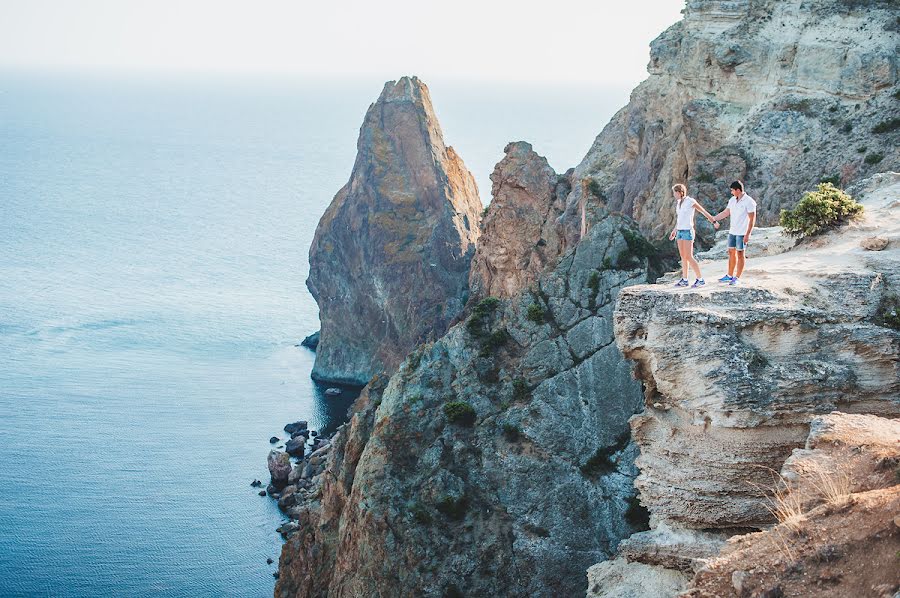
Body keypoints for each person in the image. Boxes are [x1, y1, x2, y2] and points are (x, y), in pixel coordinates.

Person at [667, 183, 719, 288]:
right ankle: (685, 279)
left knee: (689, 256)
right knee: (683, 257)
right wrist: (674, 230)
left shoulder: (690, 201)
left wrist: (714, 222)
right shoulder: (678, 203)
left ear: (680, 192)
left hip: (687, 231)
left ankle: (700, 279)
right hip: (680, 232)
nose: (674, 195)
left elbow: (703, 211)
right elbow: (680, 219)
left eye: (675, 192)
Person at [711, 180, 757, 285]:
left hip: (742, 233)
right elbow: (726, 212)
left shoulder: (749, 201)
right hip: (732, 232)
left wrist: (748, 234)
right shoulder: (732, 200)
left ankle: (737, 277)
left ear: (738, 190)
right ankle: (729, 275)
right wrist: (714, 218)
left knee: (740, 254)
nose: (731, 192)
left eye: (732, 190)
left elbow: (752, 219)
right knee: (731, 253)